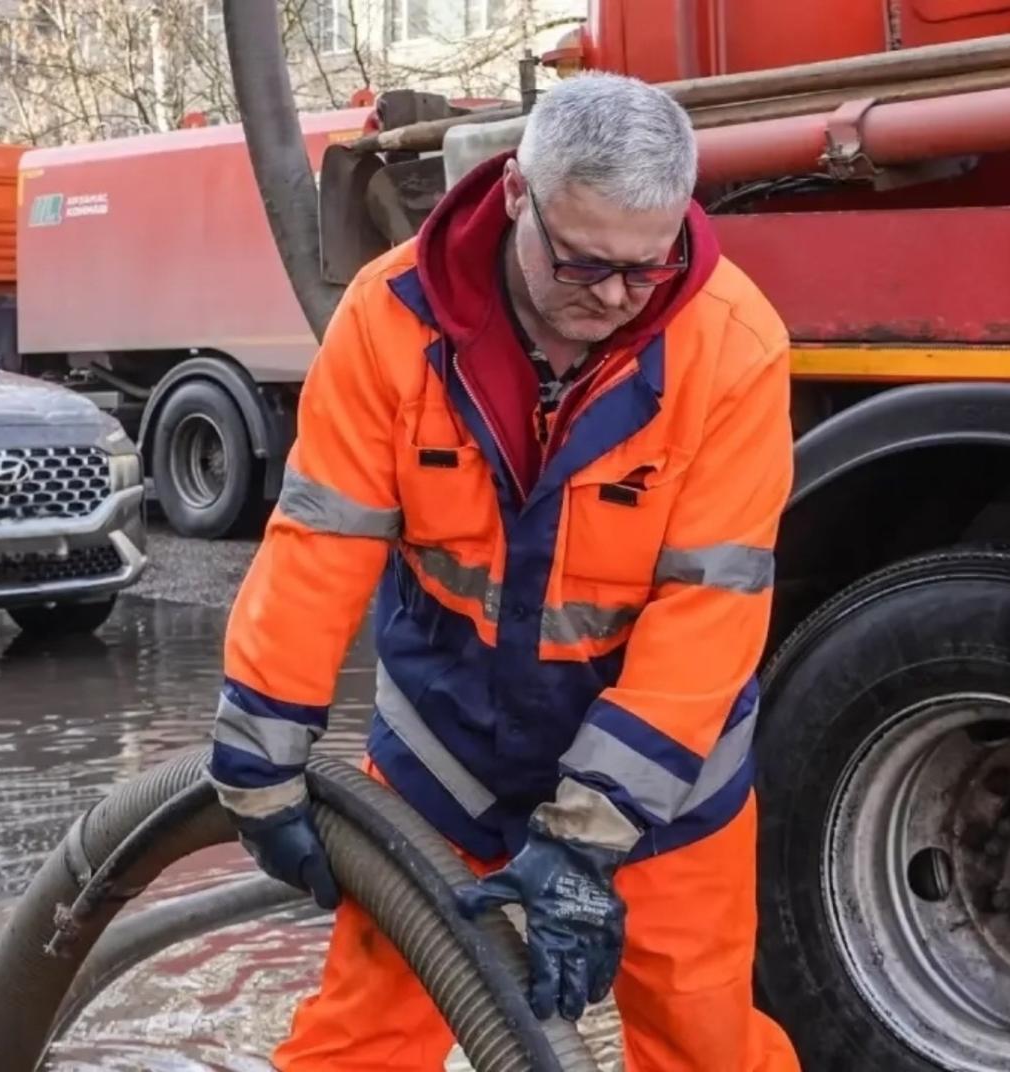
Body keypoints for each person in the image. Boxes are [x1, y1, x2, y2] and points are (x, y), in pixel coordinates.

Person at [206, 72, 800, 1072]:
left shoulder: (732, 347)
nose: (613, 298)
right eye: (582, 264)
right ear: (516, 193)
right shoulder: (392, 319)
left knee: (704, 1039)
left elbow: (710, 611)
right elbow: (318, 549)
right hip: (448, 758)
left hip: (664, 781)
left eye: (644, 270)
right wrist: (258, 763)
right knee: (364, 1035)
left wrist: (585, 835)